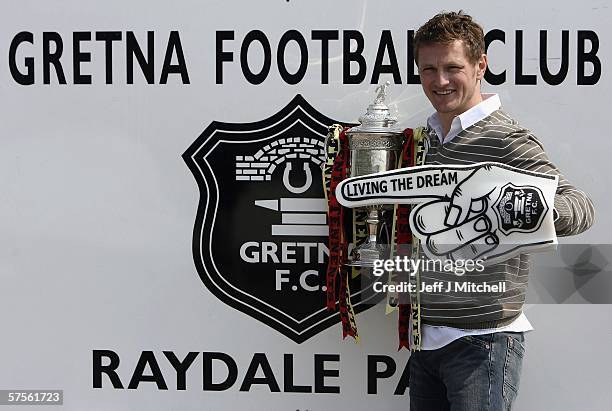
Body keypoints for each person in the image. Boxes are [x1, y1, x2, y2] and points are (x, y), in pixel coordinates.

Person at [407, 11, 595, 410]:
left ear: (480, 66)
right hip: (426, 341)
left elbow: (579, 206)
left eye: (452, 67)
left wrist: (518, 209)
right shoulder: (425, 143)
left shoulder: (505, 139)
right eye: (429, 69)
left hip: (483, 342)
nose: (440, 81)